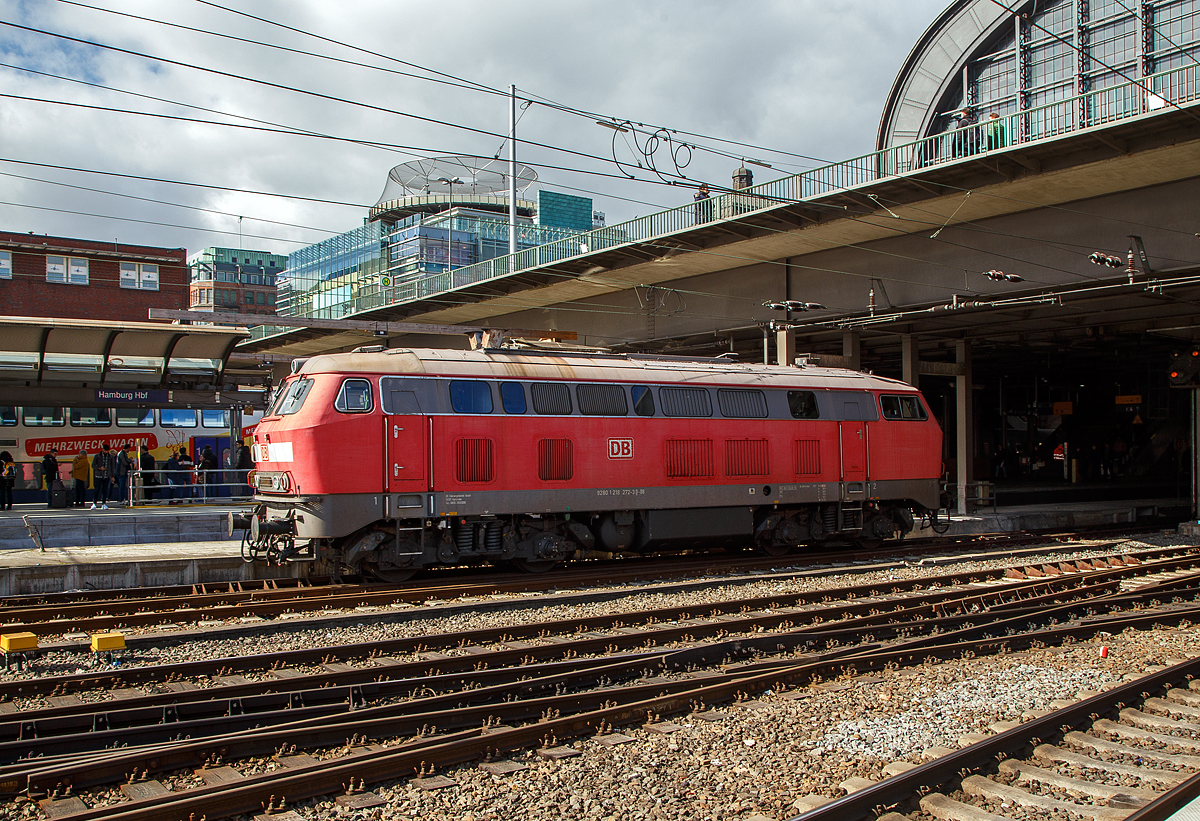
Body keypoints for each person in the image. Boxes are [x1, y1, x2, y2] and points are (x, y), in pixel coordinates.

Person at [91, 444, 114, 510]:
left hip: (106, 475)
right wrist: (99, 468)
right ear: (102, 449)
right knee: (97, 489)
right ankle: (94, 503)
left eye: (107, 450)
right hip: (98, 475)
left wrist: (112, 476)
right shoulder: (97, 456)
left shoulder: (110, 457)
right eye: (105, 450)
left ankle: (104, 503)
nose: (106, 452)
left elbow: (112, 467)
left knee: (105, 490)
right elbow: (93, 465)